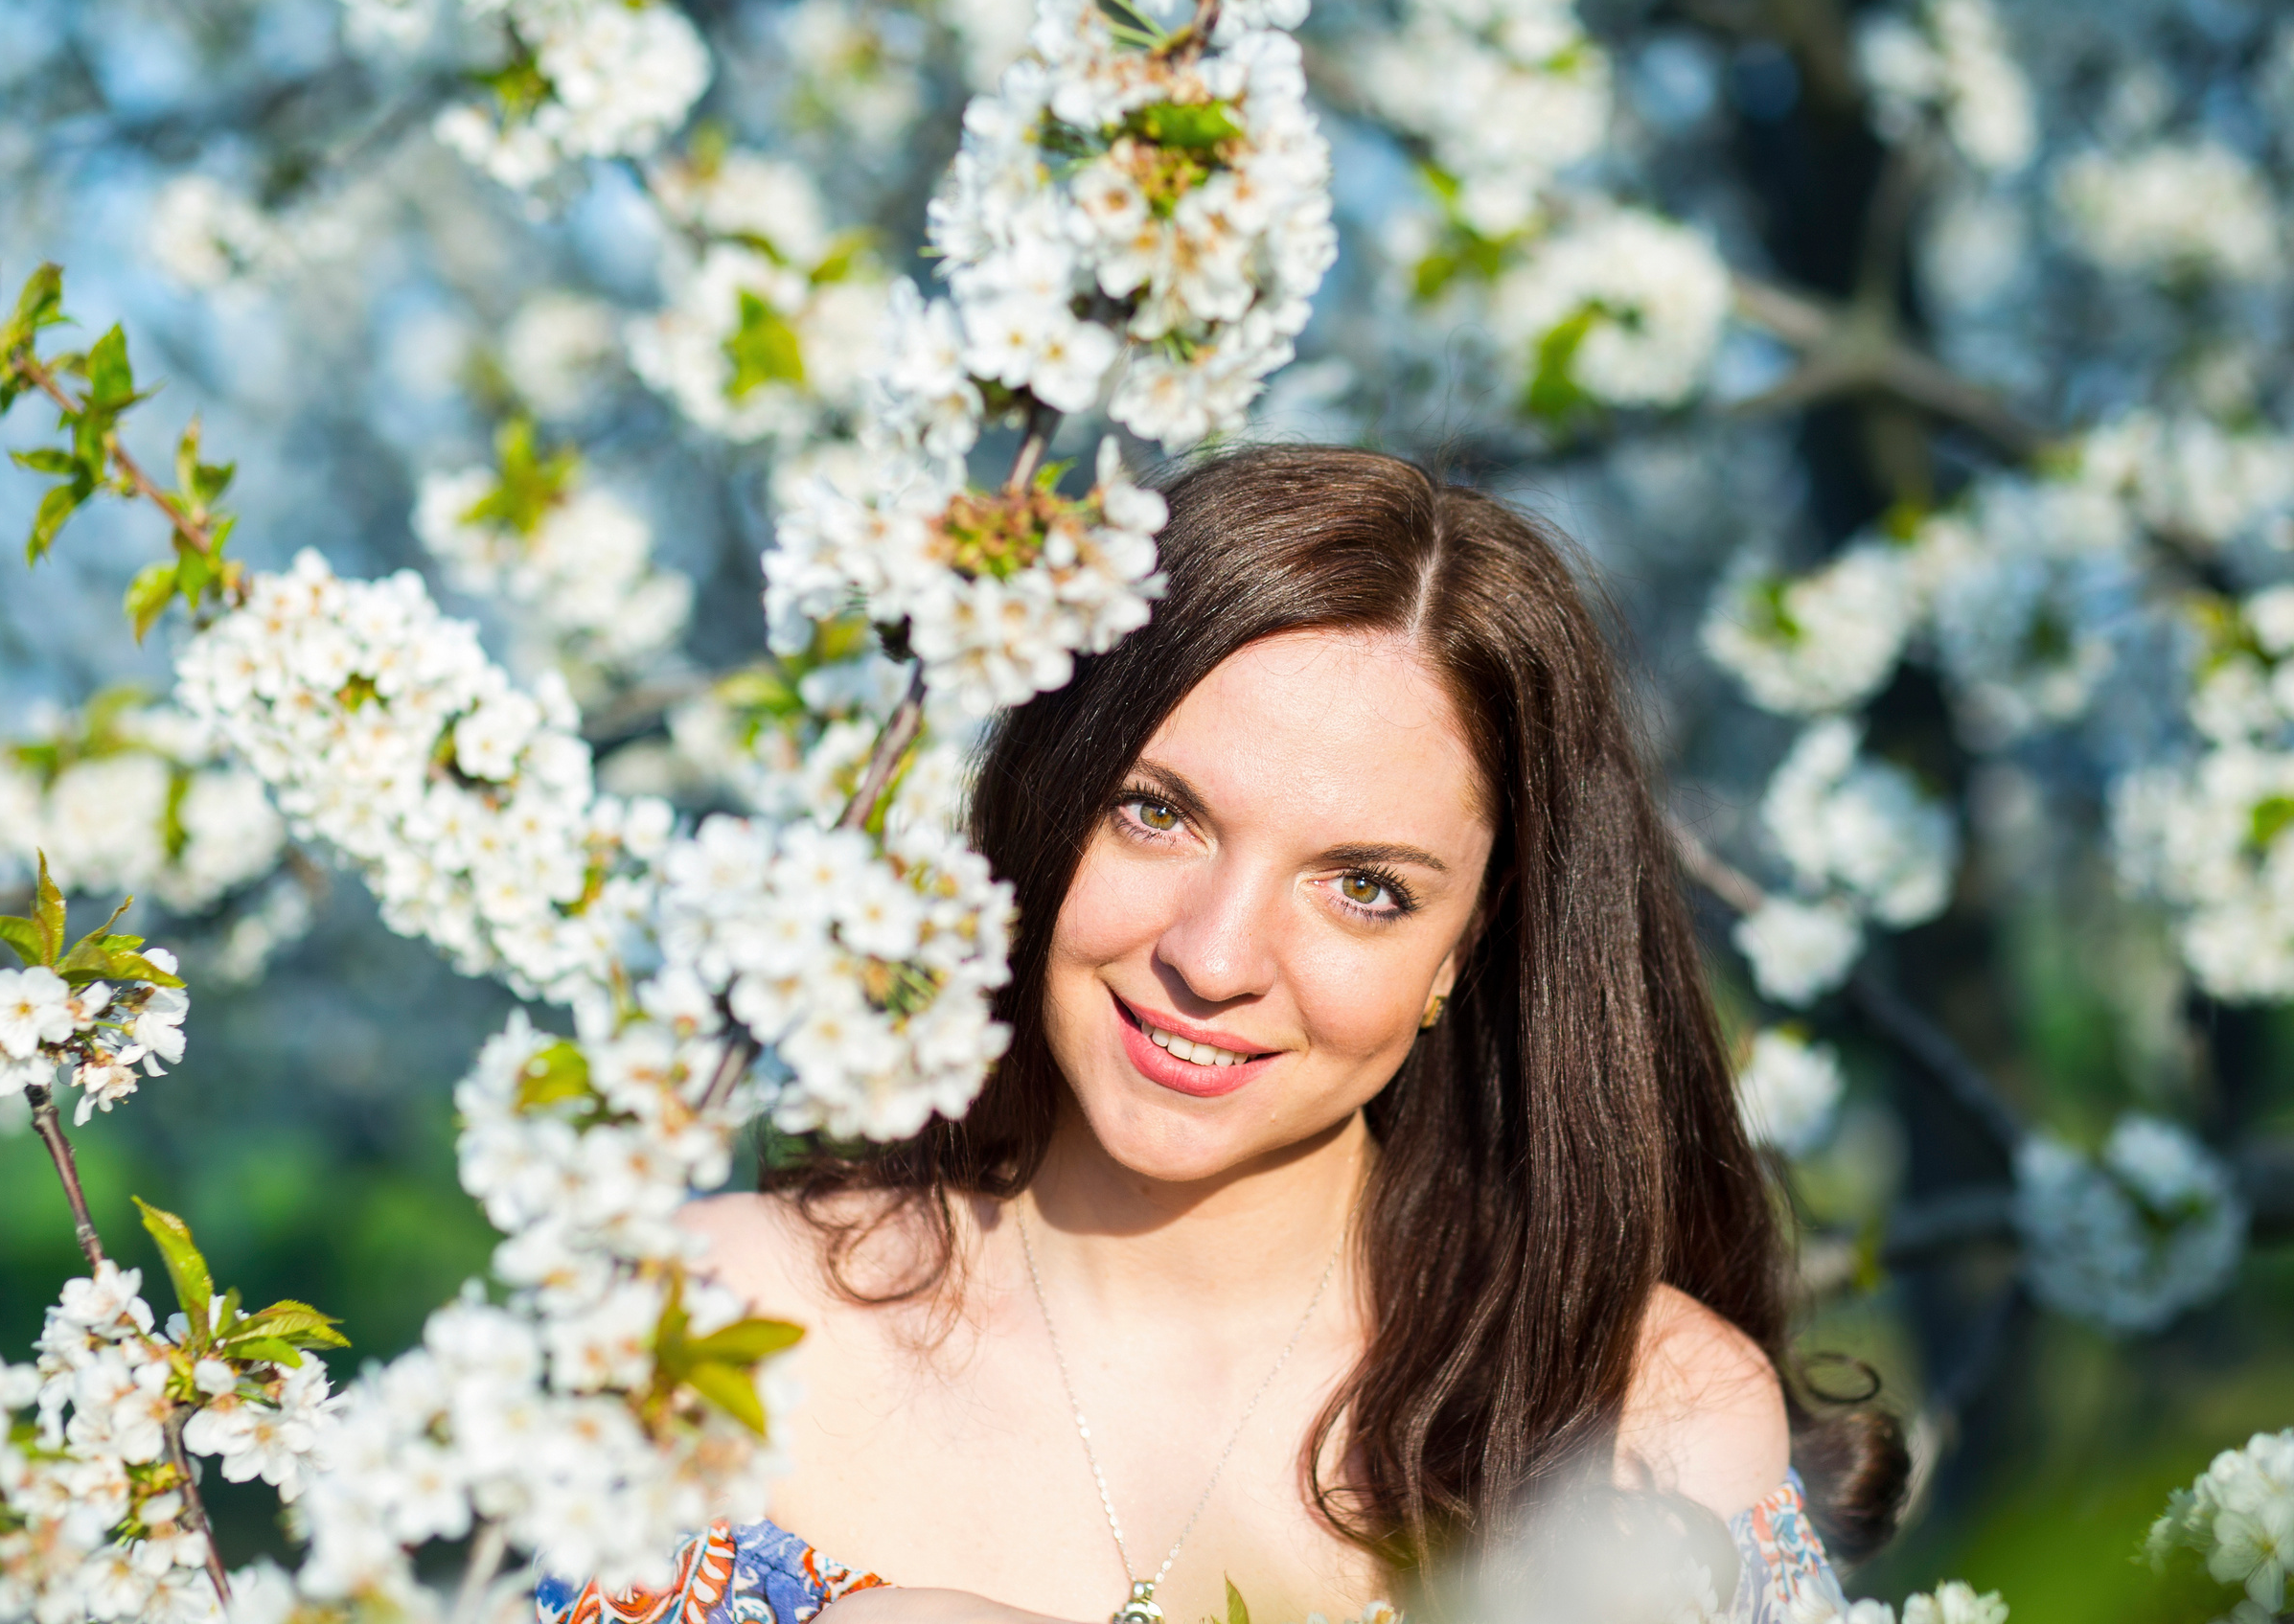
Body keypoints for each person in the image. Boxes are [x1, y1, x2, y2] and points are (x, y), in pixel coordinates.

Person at [538, 446, 1907, 1624]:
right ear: (1051, 798)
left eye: (1364, 887)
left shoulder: (1635, 1421)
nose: (1213, 954)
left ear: (1466, 950)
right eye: (1157, 812)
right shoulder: (725, 1316)